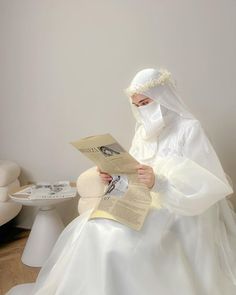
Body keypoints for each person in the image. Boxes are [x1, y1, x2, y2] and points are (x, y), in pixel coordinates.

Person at [6, 68, 236, 295]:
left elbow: (206, 181)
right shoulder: (143, 130)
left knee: (116, 236)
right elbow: (134, 167)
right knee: (92, 225)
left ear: (162, 97)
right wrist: (113, 174)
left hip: (176, 205)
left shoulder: (189, 128)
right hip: (140, 198)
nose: (141, 111)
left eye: (146, 103)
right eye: (136, 106)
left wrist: (160, 183)